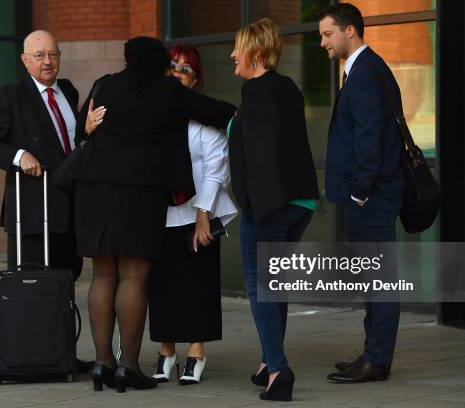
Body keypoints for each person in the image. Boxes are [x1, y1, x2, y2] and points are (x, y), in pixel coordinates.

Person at [75, 37, 236, 393]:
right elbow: (220, 112)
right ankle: (129, 367)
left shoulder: (104, 84)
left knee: (102, 276)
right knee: (133, 276)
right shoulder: (167, 91)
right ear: (161, 64)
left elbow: (81, 133)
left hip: (95, 194)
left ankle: (102, 363)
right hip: (137, 196)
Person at [0, 30, 96, 373]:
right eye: (39, 56)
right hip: (33, 213)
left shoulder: (67, 91)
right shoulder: (11, 96)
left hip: (70, 208)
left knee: (64, 286)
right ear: (25, 60)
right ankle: (32, 358)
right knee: (33, 289)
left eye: (52, 55)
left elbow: (74, 144)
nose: (47, 62)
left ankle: (60, 355)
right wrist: (19, 154)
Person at [228, 18, 319, 402]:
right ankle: (268, 361)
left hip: (271, 207)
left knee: (261, 286)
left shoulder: (257, 90)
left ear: (257, 54)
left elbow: (264, 154)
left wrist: (252, 205)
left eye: (238, 48)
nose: (233, 54)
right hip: (300, 202)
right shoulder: (287, 88)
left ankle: (279, 370)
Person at [318, 3, 404, 383]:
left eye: (327, 34)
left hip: (371, 198)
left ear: (350, 30)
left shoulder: (365, 72)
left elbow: (370, 138)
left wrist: (359, 193)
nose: (323, 43)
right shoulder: (364, 69)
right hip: (372, 195)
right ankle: (372, 355)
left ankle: (377, 361)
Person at [147, 44, 238, 386]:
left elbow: (217, 167)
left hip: (202, 208)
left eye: (186, 69)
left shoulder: (205, 114)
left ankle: (196, 349)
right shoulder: (155, 114)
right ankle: (166, 349)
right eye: (173, 67)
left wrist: (203, 215)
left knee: (198, 282)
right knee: (162, 284)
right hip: (162, 213)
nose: (178, 73)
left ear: (195, 79)